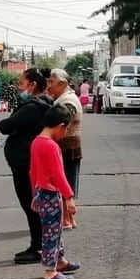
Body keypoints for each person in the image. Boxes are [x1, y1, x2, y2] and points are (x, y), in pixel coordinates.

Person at [0, 69, 52, 264]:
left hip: (26, 162)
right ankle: (40, 245)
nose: (18, 87)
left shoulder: (33, 107)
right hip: (27, 160)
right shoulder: (42, 104)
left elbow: (6, 126)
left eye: (21, 84)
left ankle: (38, 247)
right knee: (33, 205)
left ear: (32, 85)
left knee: (31, 205)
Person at [29, 104, 80, 279]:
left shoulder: (36, 142)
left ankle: (60, 261)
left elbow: (32, 172)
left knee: (54, 230)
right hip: (51, 193)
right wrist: (69, 197)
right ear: (61, 126)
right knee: (52, 233)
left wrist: (34, 193)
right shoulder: (51, 146)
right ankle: (50, 270)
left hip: (41, 192)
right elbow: (58, 175)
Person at [47, 69, 84, 197]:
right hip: (64, 147)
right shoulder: (62, 98)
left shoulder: (68, 101)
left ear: (62, 84)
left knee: (66, 189)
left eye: (52, 82)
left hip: (67, 148)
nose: (49, 85)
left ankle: (68, 216)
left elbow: (61, 121)